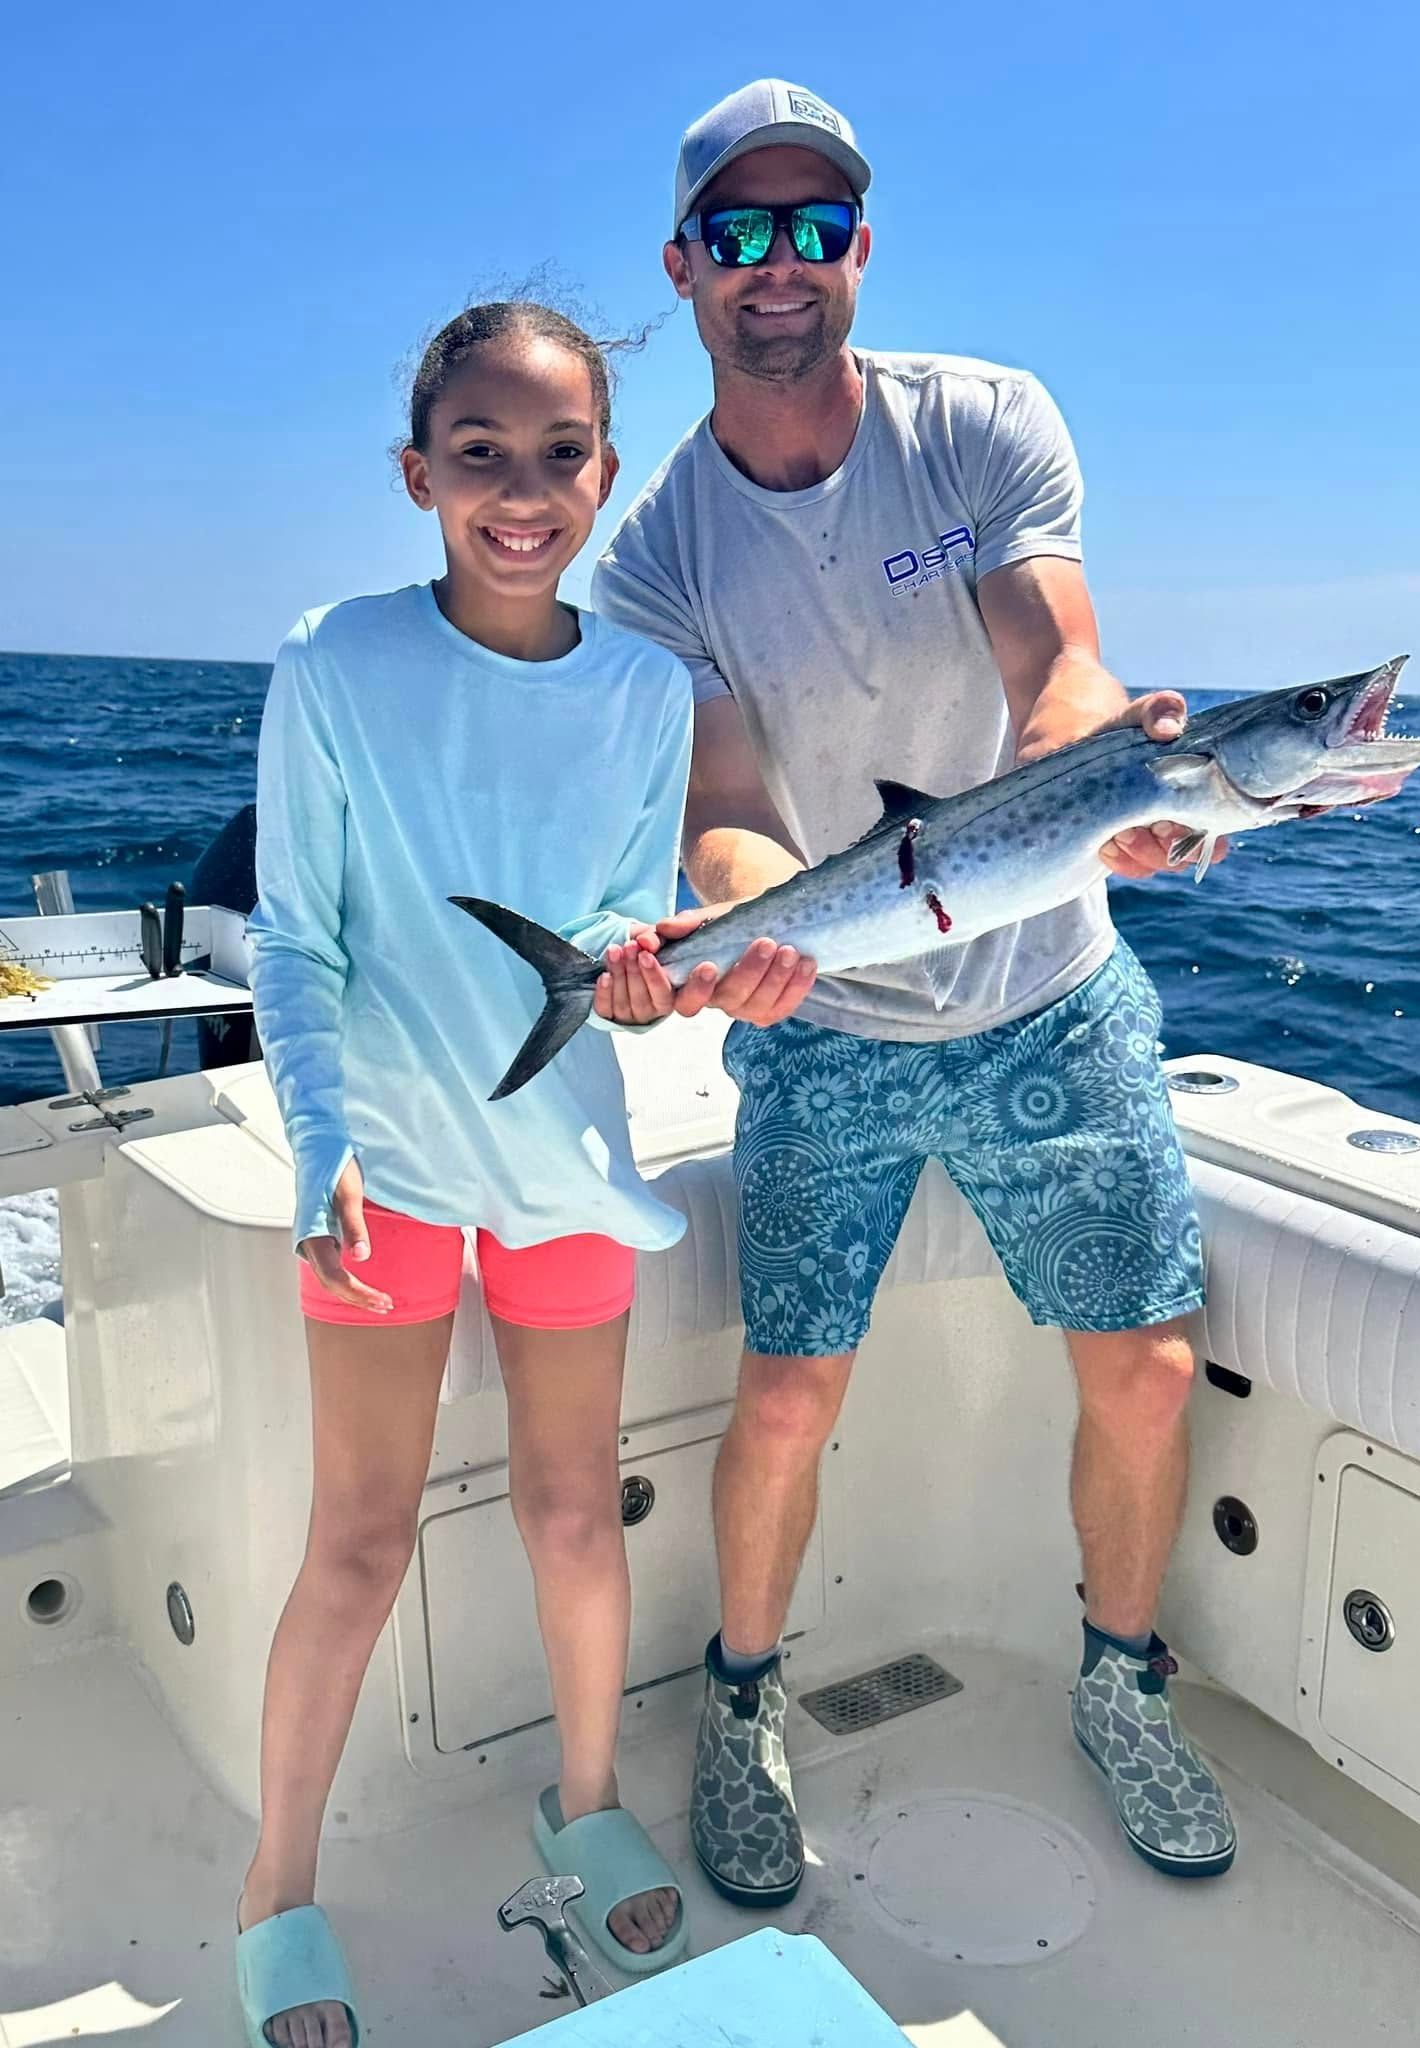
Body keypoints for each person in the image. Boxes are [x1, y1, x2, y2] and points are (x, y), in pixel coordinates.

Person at [591, 79, 1238, 1905]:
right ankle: (742, 1705)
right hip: (837, 1017)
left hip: (1053, 993)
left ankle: (1122, 1686)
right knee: (788, 1401)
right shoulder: (656, 555)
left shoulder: (983, 424)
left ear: (859, 250)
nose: (778, 264)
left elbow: (1065, 666)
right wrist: (740, 937)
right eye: (741, 232)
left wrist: (1107, 788)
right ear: (687, 268)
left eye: (814, 229)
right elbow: (724, 807)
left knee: (1147, 1368)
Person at [236, 298, 694, 2048]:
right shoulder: (334, 662)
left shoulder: (653, 689)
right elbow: (298, 939)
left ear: (607, 475)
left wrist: (645, 971)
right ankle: (279, 1892)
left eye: (559, 454)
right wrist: (324, 1147)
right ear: (417, 472)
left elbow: (619, 924)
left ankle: (581, 1805)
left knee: (576, 1512)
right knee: (356, 1544)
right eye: (481, 454)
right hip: (386, 1179)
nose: (522, 489)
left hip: (568, 1166)